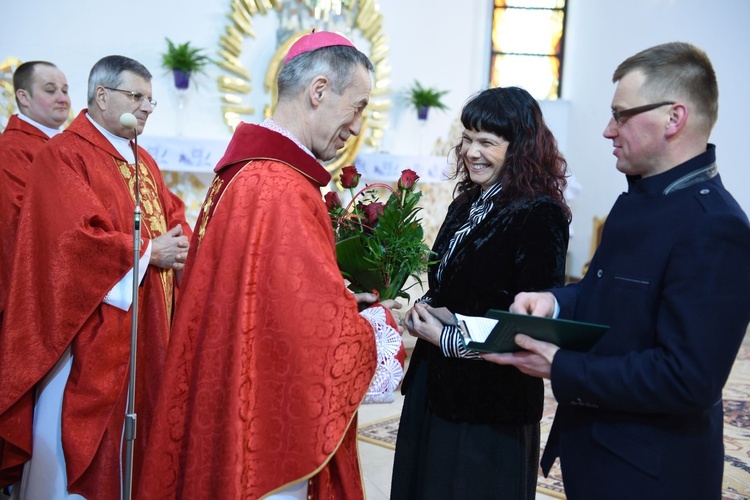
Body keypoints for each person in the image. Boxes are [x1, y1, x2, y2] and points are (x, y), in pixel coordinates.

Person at [137, 31, 403, 500]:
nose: (357, 127)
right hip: (265, 432)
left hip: (236, 396)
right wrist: (380, 327)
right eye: (357, 107)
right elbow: (316, 342)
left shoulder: (247, 172)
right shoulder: (281, 187)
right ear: (318, 91)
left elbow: (269, 305)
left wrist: (337, 297)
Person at [483, 42, 750, 499]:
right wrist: (553, 301)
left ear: (674, 118)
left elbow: (687, 379)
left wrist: (561, 365)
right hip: (600, 450)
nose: (609, 130)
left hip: (651, 473)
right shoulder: (636, 202)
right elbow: (600, 292)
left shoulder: (716, 227)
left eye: (621, 115)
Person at [0, 55, 191, 499]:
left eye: (150, 100)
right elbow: (71, 243)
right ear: (102, 97)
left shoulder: (141, 158)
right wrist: (147, 251)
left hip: (145, 330)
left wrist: (184, 246)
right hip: (89, 334)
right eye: (136, 96)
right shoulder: (65, 154)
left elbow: (170, 214)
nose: (145, 107)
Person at [391, 86, 571, 499]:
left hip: (490, 406)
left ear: (520, 148)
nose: (472, 151)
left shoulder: (539, 214)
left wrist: (448, 338)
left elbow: (529, 327)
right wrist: (431, 311)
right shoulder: (468, 202)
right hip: (436, 386)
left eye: (487, 142)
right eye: (468, 138)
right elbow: (458, 289)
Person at [0, 61, 70, 337]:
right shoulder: (11, 150)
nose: (63, 98)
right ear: (23, 97)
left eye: (65, 90)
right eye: (51, 90)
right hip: (36, 287)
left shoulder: (65, 144)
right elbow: (17, 221)